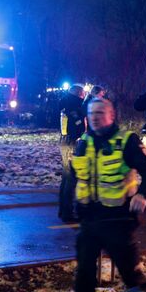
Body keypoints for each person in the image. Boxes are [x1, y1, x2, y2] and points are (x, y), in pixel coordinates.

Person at [71, 98, 146, 292]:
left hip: (117, 222)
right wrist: (67, 205)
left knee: (132, 276)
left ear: (112, 115)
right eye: (91, 113)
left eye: (100, 112)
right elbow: (73, 176)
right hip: (89, 221)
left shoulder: (126, 141)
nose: (95, 117)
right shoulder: (83, 142)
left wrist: (143, 194)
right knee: (83, 275)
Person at [58, 84, 86, 222]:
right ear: (78, 93)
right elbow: (78, 124)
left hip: (65, 141)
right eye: (82, 92)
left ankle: (63, 209)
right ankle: (67, 212)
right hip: (72, 142)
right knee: (71, 177)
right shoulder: (74, 105)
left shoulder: (65, 103)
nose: (83, 95)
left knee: (66, 177)